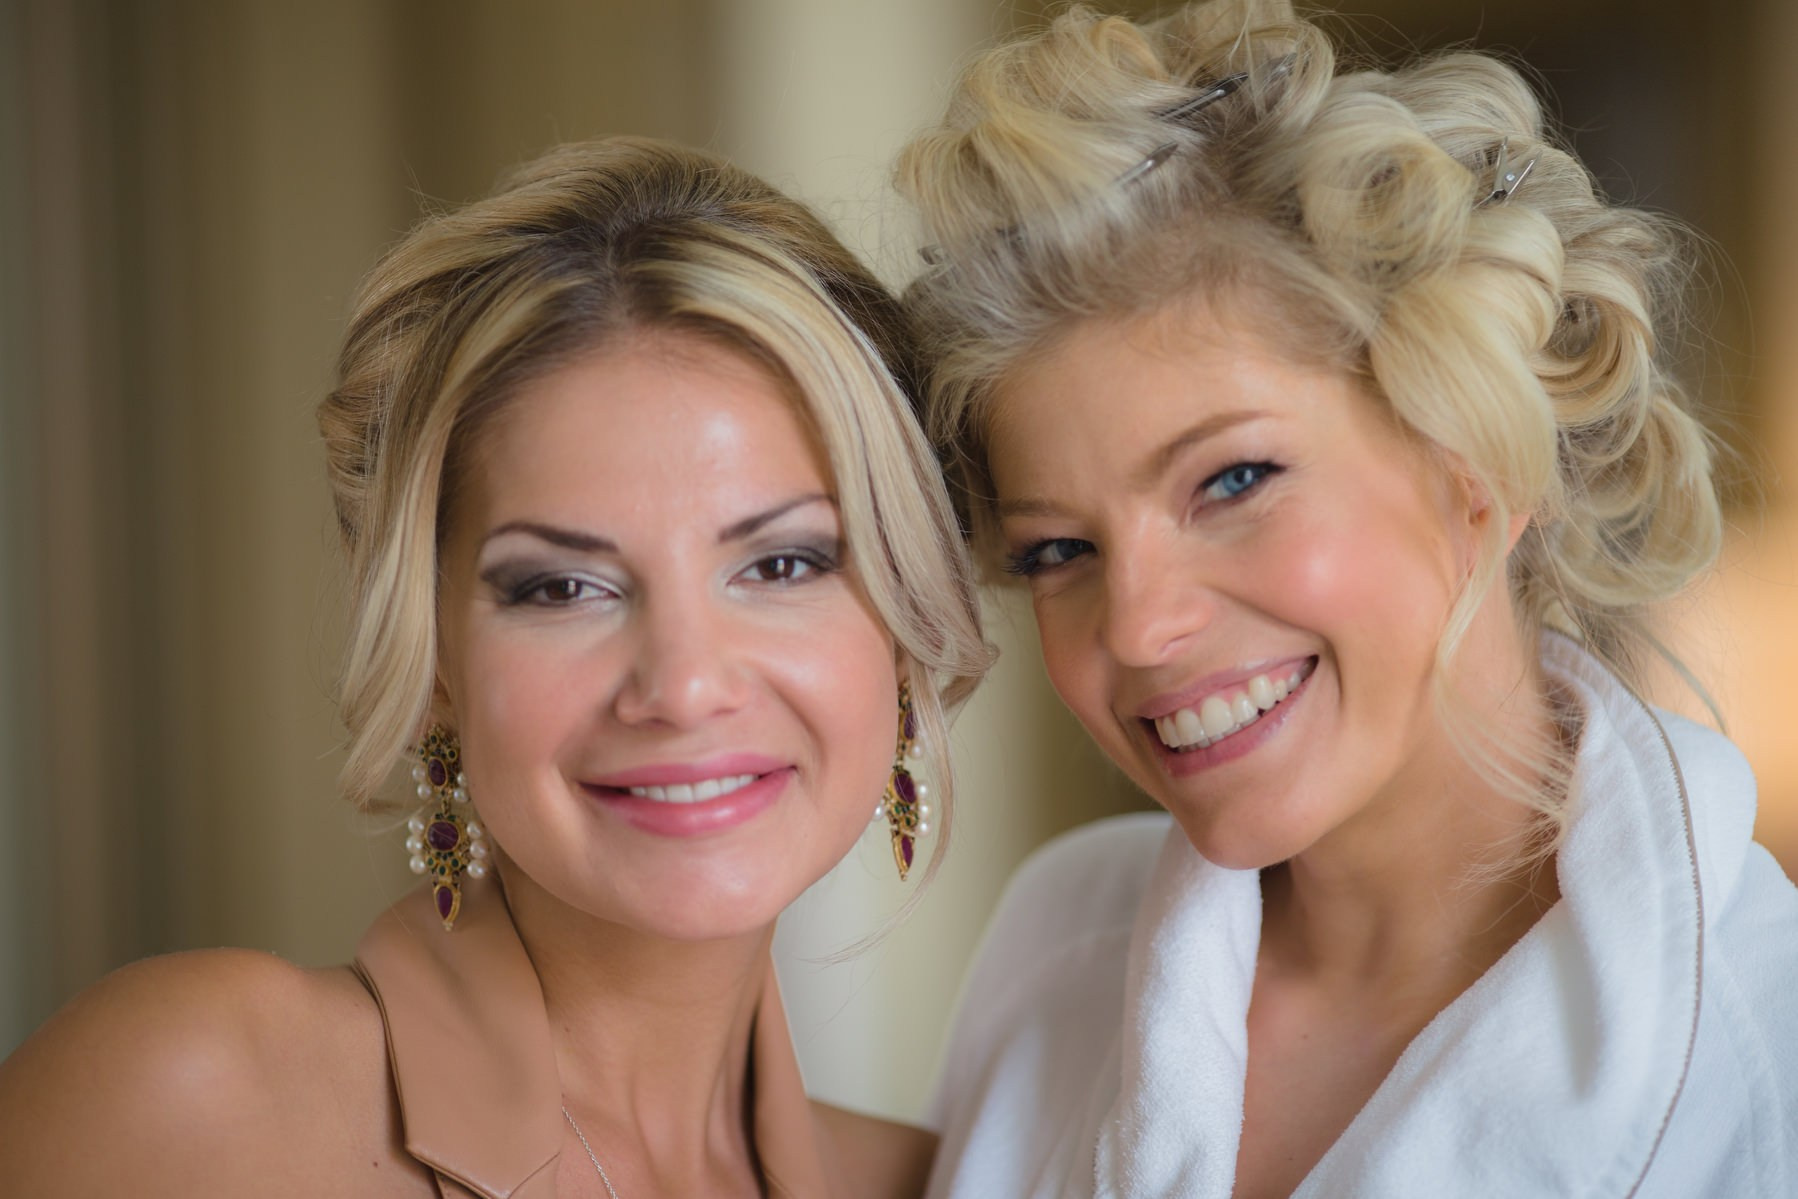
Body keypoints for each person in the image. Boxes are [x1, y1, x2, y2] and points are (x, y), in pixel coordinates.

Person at [896, 2, 1798, 1195]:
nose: (1137, 625)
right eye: (1059, 550)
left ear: (1478, 456)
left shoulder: (1766, 1046)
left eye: (1232, 480)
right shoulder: (1057, 943)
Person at [0, 136, 989, 1197]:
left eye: (781, 561)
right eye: (560, 587)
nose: (685, 684)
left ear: (905, 619)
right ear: (431, 654)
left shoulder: (935, 1179)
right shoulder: (193, 1103)